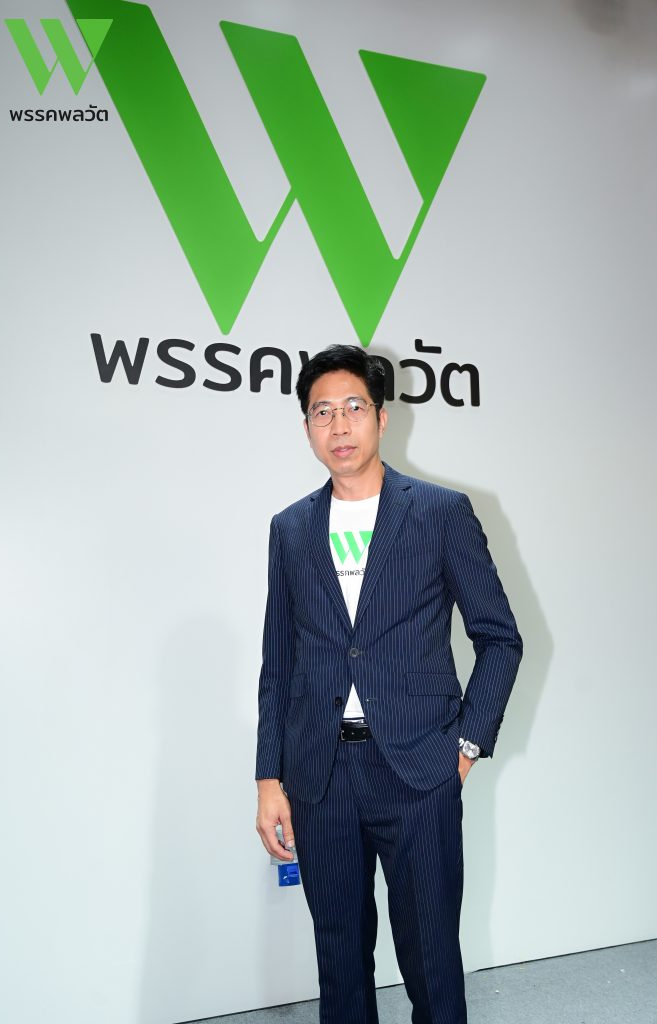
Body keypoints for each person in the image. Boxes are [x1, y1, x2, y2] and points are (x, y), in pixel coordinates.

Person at [255, 344, 523, 1024]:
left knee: (430, 959)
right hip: (320, 776)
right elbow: (278, 663)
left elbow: (499, 637)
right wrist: (268, 779)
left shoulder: (439, 512)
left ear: (380, 416)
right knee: (339, 962)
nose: (338, 424)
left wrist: (465, 746)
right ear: (306, 427)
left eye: (353, 407)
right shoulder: (290, 529)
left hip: (417, 771)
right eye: (322, 412)